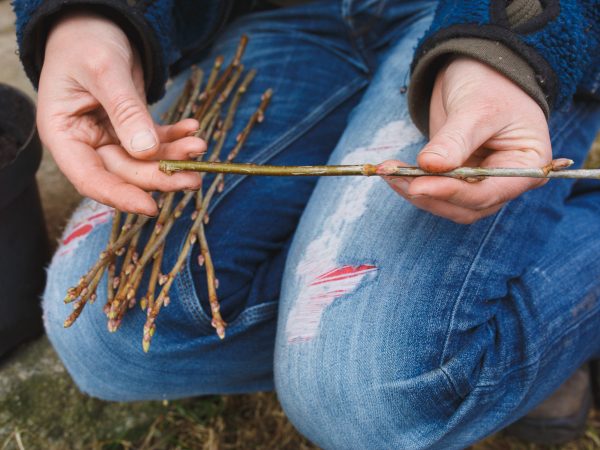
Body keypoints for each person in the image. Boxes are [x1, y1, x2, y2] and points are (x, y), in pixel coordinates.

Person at [12, 0, 600, 448]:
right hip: (271, 16)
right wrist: (85, 17)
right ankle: (428, 319)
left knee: (369, 394)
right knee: (105, 339)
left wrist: (510, 41)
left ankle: (481, 313)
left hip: (473, 20)